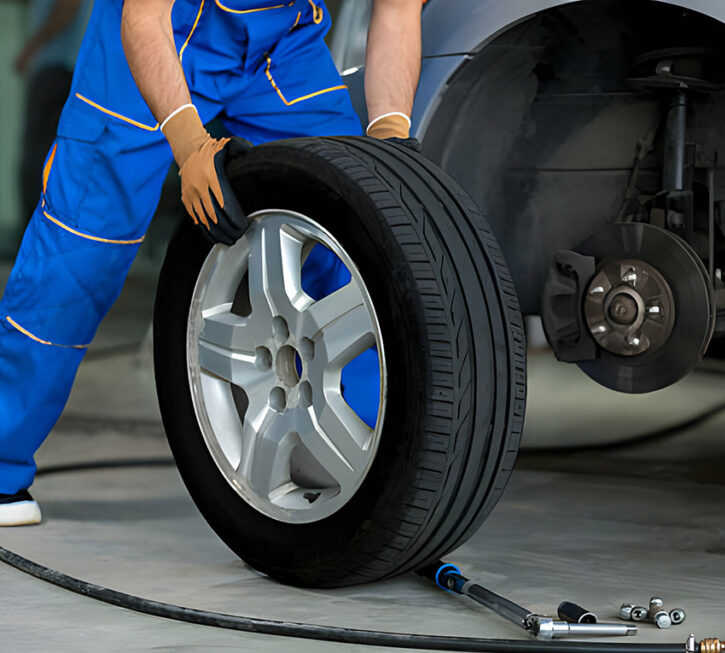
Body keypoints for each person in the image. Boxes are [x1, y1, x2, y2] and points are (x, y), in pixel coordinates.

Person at [0, 0, 422, 526]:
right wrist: (189, 143)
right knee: (81, 253)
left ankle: (380, 463)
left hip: (280, 45)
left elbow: (398, 12)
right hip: (160, 33)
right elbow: (144, 19)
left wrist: (389, 140)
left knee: (357, 217)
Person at [15, 0, 90, 227]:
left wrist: (34, 45)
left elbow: (68, 6)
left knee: (42, 155)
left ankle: (39, 229)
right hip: (55, 71)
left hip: (56, 71)